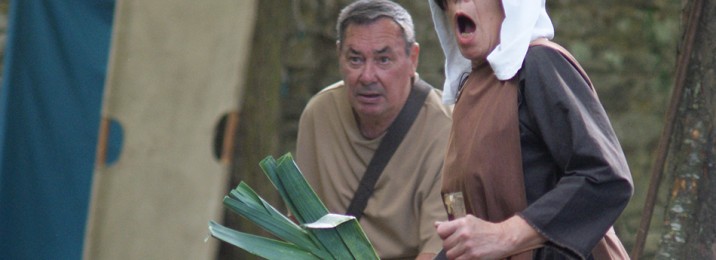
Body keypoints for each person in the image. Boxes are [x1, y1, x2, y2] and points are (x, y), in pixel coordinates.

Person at [428, 0, 634, 259]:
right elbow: (478, 234)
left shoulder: (539, 63)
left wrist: (506, 235)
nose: (458, 3)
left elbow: (606, 177)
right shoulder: (471, 88)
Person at [294, 0, 452, 259]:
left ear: (412, 59)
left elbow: (437, 251)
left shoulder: (445, 129)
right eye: (355, 59)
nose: (367, 76)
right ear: (339, 56)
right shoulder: (319, 114)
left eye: (383, 60)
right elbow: (300, 226)